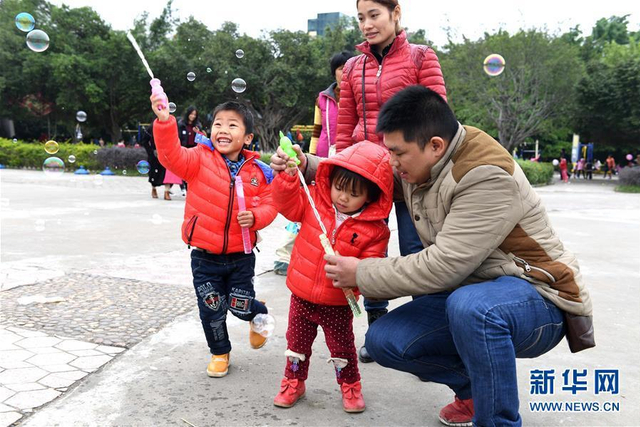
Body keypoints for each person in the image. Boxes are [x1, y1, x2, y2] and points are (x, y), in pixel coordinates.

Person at [272, 86, 594, 426]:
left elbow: (444, 265)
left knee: (474, 308)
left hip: (537, 298)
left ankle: (498, 421)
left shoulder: (486, 175)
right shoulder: (423, 161)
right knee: (385, 341)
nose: (391, 162)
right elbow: (368, 176)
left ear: (435, 145)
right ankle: (474, 393)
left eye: (398, 153)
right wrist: (305, 165)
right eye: (389, 151)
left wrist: (362, 273)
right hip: (468, 291)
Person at [335, 0, 448, 363]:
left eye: (374, 15)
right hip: (368, 176)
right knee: (371, 251)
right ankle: (376, 327)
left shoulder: (421, 57)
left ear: (395, 13)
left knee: (418, 251)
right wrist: (343, 173)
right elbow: (345, 127)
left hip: (413, 176)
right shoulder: (352, 67)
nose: (367, 24)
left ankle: (427, 332)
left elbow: (437, 117)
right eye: (361, 18)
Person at [151, 96, 278, 378]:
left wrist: (256, 217)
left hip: (241, 255)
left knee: (240, 305)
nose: (222, 130)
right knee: (212, 308)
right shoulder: (198, 158)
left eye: (232, 125)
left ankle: (258, 313)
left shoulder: (258, 172)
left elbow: (272, 204)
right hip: (204, 257)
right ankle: (220, 353)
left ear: (247, 138)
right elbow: (170, 155)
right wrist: (164, 122)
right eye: (218, 124)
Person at [271, 142, 393, 413]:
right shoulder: (314, 198)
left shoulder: (375, 230)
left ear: (370, 196)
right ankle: (293, 381)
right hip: (301, 294)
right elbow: (286, 205)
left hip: (337, 302)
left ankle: (350, 386)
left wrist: (356, 273)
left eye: (354, 193)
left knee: (342, 349)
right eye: (339, 187)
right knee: (296, 345)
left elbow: (371, 267)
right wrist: (288, 179)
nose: (343, 198)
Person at [274, 51, 354, 276]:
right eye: (341, 68)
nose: (345, 72)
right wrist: (308, 160)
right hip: (323, 158)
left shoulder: (359, 93)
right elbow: (317, 131)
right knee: (310, 204)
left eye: (349, 68)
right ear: (334, 72)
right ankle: (284, 255)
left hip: (350, 159)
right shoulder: (323, 98)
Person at [178, 106, 203, 196]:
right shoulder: (181, 124)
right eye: (191, 114)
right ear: (188, 114)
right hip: (184, 149)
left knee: (191, 170)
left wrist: (198, 132)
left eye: (194, 115)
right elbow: (178, 137)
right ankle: (183, 187)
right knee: (183, 169)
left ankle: (189, 188)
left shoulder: (198, 125)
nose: (193, 116)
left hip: (194, 150)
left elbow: (201, 138)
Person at [139, 121, 166, 199]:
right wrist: (151, 151)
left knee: (164, 171)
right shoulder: (151, 128)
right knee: (153, 171)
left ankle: (166, 190)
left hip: (164, 153)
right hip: (153, 153)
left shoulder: (167, 127)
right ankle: (153, 188)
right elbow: (144, 141)